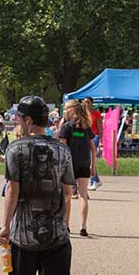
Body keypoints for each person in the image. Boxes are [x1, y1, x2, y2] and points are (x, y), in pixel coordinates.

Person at [0, 95, 74, 275]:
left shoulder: (15, 150)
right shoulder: (63, 150)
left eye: (19, 117)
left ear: (29, 120)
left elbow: (12, 190)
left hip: (23, 232)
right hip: (56, 232)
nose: (17, 120)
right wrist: (64, 223)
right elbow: (68, 190)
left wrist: (4, 227)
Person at [58, 99, 95, 237]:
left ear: (72, 109)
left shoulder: (67, 127)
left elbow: (63, 147)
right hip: (84, 164)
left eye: (67, 109)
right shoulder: (86, 127)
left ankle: (66, 225)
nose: (65, 111)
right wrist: (93, 165)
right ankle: (83, 226)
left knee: (66, 194)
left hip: (70, 165)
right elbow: (93, 148)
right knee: (83, 195)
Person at [83, 98, 104, 191]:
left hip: (94, 137)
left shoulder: (96, 114)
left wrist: (100, 140)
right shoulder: (83, 114)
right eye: (85, 102)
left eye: (88, 102)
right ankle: (97, 180)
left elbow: (100, 127)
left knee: (92, 160)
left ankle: (93, 182)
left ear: (91, 104)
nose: (86, 104)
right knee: (87, 160)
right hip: (85, 138)